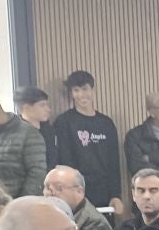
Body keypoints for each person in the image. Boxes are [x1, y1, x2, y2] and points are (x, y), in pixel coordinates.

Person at [51, 71, 121, 208]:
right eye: (76, 90)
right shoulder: (64, 122)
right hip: (76, 190)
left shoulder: (106, 123)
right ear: (71, 93)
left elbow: (114, 162)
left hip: (104, 191)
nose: (81, 95)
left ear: (92, 90)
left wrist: (116, 194)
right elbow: (64, 160)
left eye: (85, 89)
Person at [42, 164, 113, 230]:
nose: (50, 193)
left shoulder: (96, 224)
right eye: (47, 187)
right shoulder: (41, 218)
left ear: (79, 192)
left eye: (59, 188)